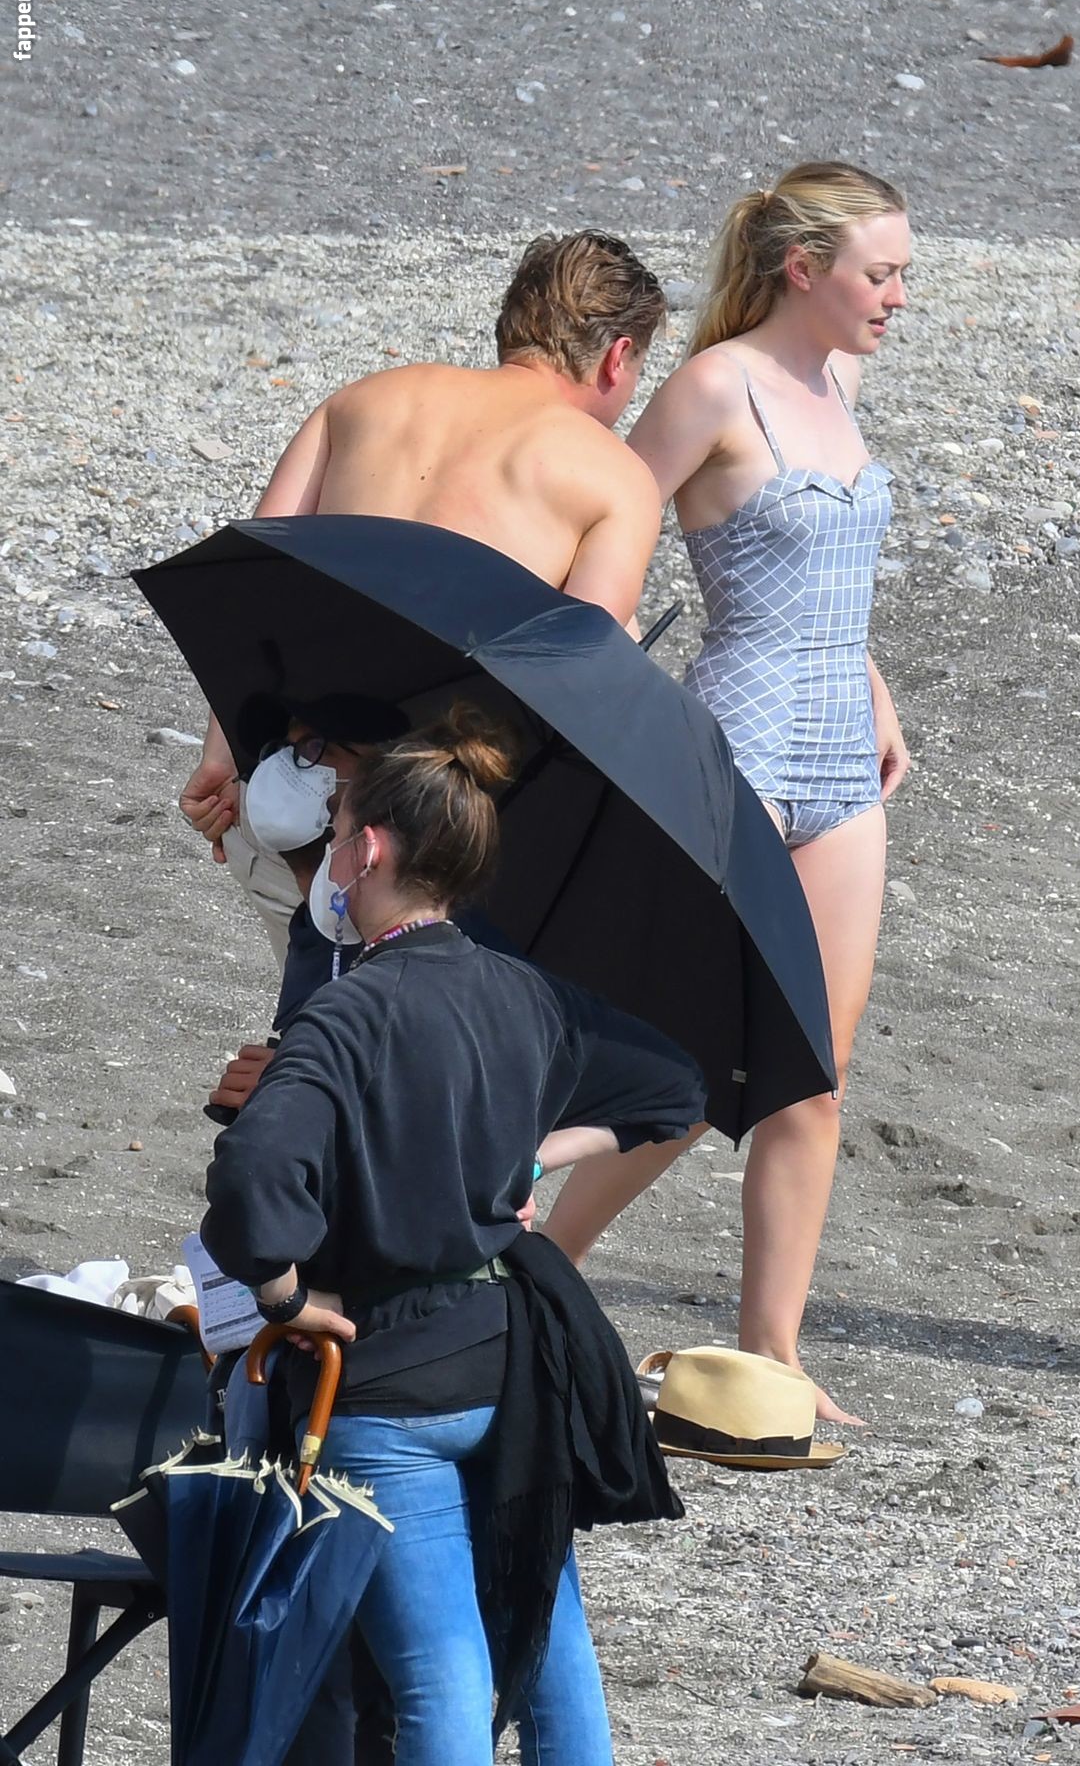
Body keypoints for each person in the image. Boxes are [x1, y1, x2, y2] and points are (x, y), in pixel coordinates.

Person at [201, 706, 707, 1766]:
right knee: (553, 1647)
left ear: (369, 851)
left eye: (338, 831)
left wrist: (287, 1296)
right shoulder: (525, 996)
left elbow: (252, 1179)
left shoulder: (347, 1012)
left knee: (441, 1681)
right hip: (510, 1366)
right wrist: (531, 1160)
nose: (331, 853)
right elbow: (672, 1086)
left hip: (386, 1383)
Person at [543, 163, 913, 1426]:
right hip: (735, 750)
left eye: (901, 274)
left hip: (842, 763)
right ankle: (541, 1264)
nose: (897, 297)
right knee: (692, 1059)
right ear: (803, 270)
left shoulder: (841, 382)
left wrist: (872, 680)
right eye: (880, 274)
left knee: (812, 1075)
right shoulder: (715, 386)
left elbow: (829, 571)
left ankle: (774, 1356)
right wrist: (593, 690)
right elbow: (604, 517)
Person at [179, 230, 668, 969]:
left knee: (321, 1009)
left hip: (295, 787)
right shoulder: (614, 476)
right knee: (407, 1021)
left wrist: (222, 756)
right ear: (617, 357)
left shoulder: (360, 402)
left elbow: (252, 594)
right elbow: (576, 695)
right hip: (435, 823)